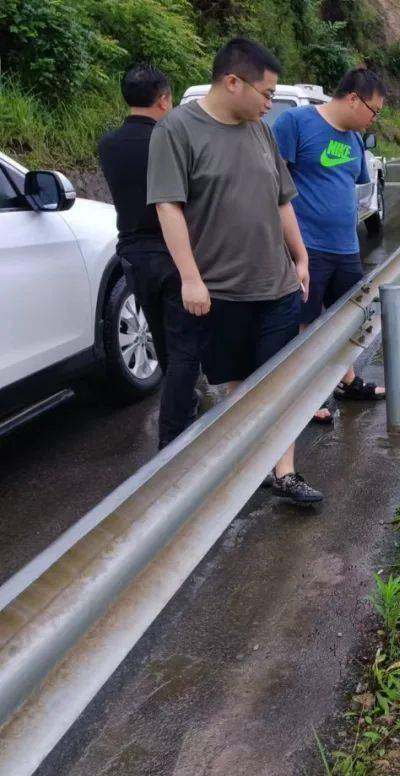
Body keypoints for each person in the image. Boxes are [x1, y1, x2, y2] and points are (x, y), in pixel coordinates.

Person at [147, 37, 322, 505]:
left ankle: (284, 473)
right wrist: (190, 277)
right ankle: (251, 468)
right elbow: (168, 207)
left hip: (278, 285)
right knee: (240, 384)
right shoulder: (177, 130)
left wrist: (300, 257)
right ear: (231, 82)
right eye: (266, 94)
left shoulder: (261, 131)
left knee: (280, 381)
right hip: (222, 291)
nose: (270, 103)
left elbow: (281, 199)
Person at [272, 67, 388, 424]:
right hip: (308, 247)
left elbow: (352, 184)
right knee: (304, 325)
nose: (374, 120)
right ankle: (301, 398)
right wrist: (292, 249)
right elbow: (274, 185)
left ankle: (346, 382)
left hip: (346, 246)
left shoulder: (353, 140)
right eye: (374, 112)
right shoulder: (296, 123)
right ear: (354, 99)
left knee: (347, 320)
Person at [99, 65, 204, 451]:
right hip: (173, 254)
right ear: (163, 99)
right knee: (185, 350)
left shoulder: (108, 144)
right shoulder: (171, 139)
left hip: (132, 256)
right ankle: (174, 438)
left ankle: (184, 406)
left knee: (162, 339)